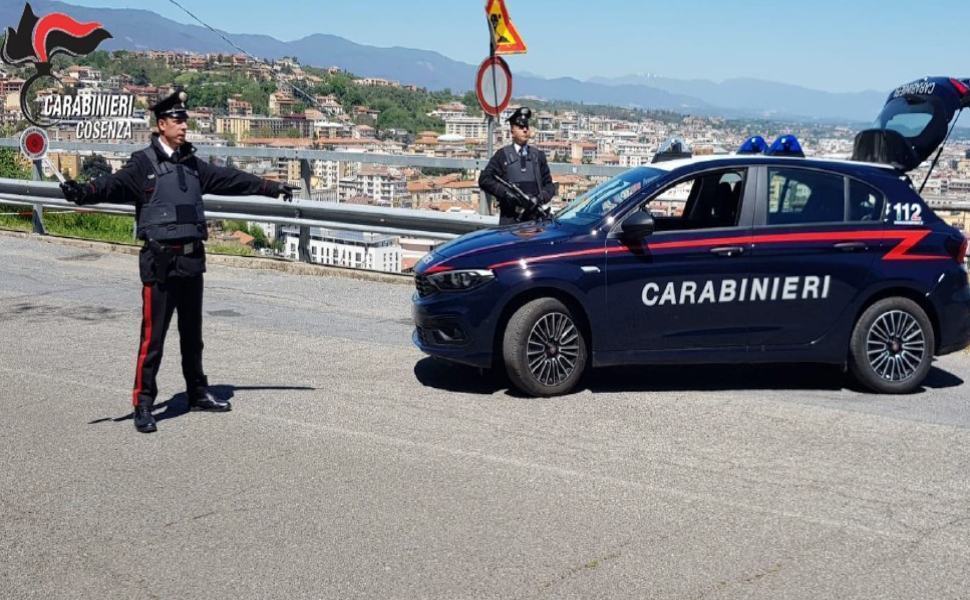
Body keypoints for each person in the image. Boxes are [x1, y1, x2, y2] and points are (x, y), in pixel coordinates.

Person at [60, 88, 295, 433]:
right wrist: (83, 193)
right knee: (152, 339)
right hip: (159, 263)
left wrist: (271, 187)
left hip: (191, 262)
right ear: (161, 124)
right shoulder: (143, 164)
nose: (184, 126)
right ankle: (143, 404)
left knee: (192, 335)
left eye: (185, 120)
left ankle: (198, 392)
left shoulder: (192, 164)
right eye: (177, 120)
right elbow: (112, 185)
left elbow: (232, 179)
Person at [478, 106, 557, 225]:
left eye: (526, 127)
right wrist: (506, 194)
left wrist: (539, 199)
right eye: (520, 127)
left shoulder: (538, 156)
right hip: (510, 220)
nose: (525, 130)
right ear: (512, 131)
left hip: (534, 221)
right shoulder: (502, 155)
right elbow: (484, 179)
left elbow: (549, 186)